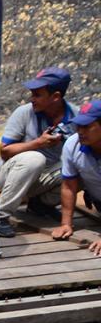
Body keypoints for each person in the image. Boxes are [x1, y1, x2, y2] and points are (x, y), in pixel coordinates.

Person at [0, 68, 74, 236]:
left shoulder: (76, 115)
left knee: (79, 167)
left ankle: (41, 205)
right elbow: (5, 152)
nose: (32, 99)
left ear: (56, 97)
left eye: (38, 95)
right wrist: (38, 143)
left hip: (47, 176)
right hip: (10, 173)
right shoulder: (24, 112)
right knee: (35, 158)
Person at [52, 99, 101, 257]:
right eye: (79, 126)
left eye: (86, 127)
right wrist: (66, 223)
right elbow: (68, 186)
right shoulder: (72, 145)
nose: (80, 131)